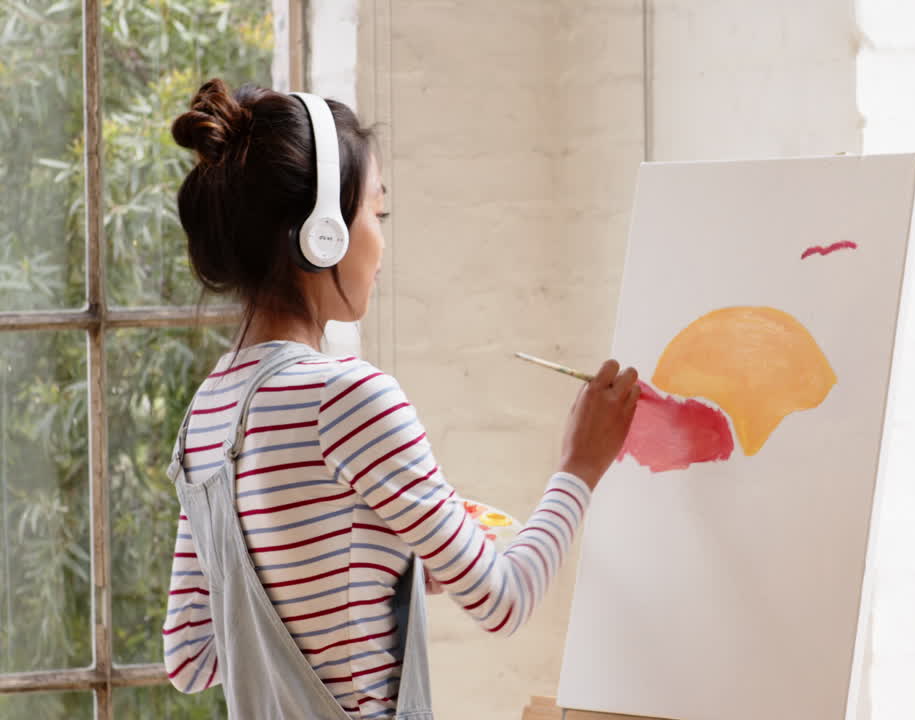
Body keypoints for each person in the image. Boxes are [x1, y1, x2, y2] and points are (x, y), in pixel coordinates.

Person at [161, 78, 640, 719]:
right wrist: (580, 465)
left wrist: (375, 559)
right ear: (321, 234)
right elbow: (504, 598)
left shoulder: (206, 413)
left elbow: (190, 659)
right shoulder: (352, 398)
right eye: (375, 216)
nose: (381, 244)